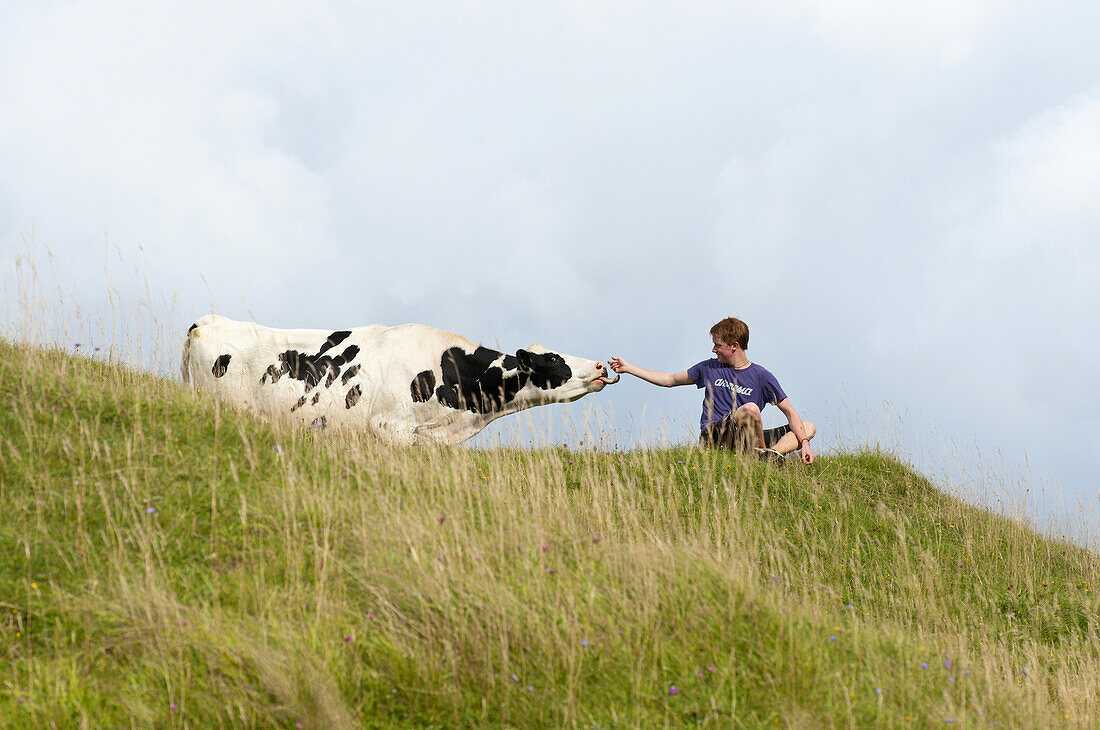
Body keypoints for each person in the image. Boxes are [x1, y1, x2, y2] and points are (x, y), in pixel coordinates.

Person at [608, 317, 816, 464]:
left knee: (808, 426)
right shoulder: (708, 368)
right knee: (750, 409)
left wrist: (804, 443)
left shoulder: (762, 376)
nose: (713, 350)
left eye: (718, 345)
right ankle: (764, 459)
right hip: (715, 437)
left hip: (749, 439)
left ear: (734, 346)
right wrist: (628, 368)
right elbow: (669, 379)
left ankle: (770, 456)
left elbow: (789, 411)